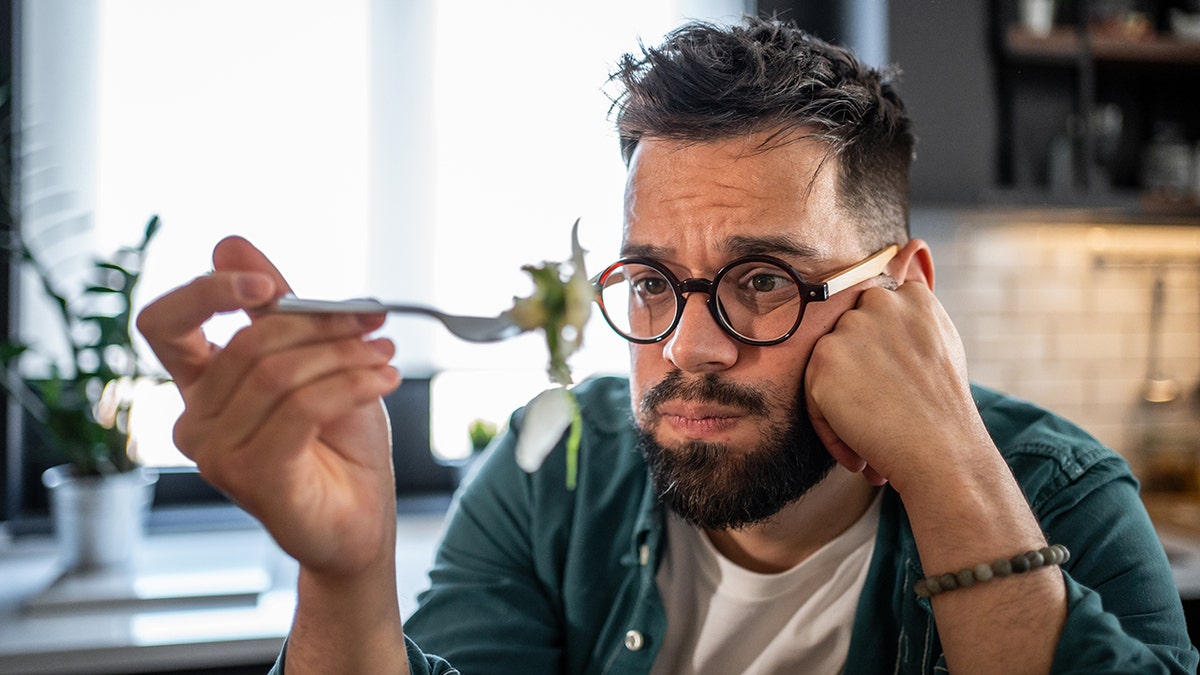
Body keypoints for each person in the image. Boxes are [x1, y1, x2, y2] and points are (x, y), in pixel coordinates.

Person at [137, 16, 1197, 675]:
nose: (690, 347)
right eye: (650, 282)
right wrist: (345, 576)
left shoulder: (1056, 493)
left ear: (906, 297)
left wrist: (955, 470)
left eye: (765, 281)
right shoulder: (550, 473)